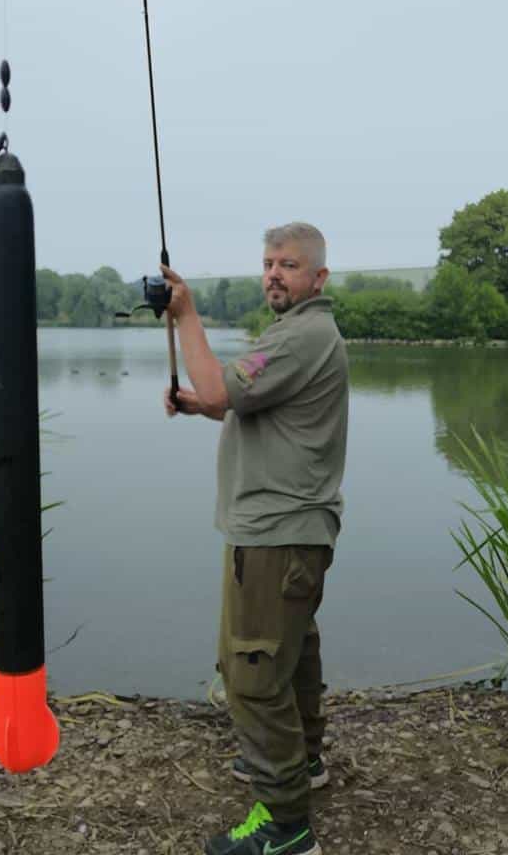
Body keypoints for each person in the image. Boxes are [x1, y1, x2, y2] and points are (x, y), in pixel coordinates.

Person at [162, 222, 348, 855]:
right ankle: (307, 764)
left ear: (317, 278)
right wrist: (198, 405)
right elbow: (230, 398)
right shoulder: (297, 335)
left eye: (289, 265)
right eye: (268, 262)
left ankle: (285, 828)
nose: (274, 273)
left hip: (275, 534)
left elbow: (221, 385)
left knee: (252, 673)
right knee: (289, 656)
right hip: (291, 533)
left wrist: (184, 314)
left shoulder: (303, 335)